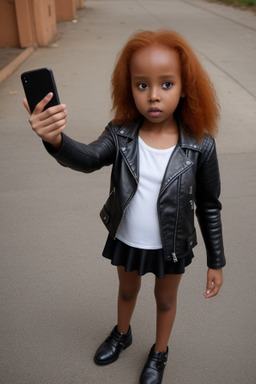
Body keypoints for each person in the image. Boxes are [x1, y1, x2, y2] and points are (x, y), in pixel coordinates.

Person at [23, 29, 226, 384]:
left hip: (172, 246)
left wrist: (216, 261)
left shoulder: (200, 146)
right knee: (127, 290)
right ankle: (122, 332)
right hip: (128, 238)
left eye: (166, 84)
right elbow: (87, 158)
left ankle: (159, 352)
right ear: (128, 87)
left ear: (184, 87)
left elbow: (209, 205)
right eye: (141, 85)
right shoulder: (120, 134)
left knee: (165, 301)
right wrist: (55, 139)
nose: (154, 96)